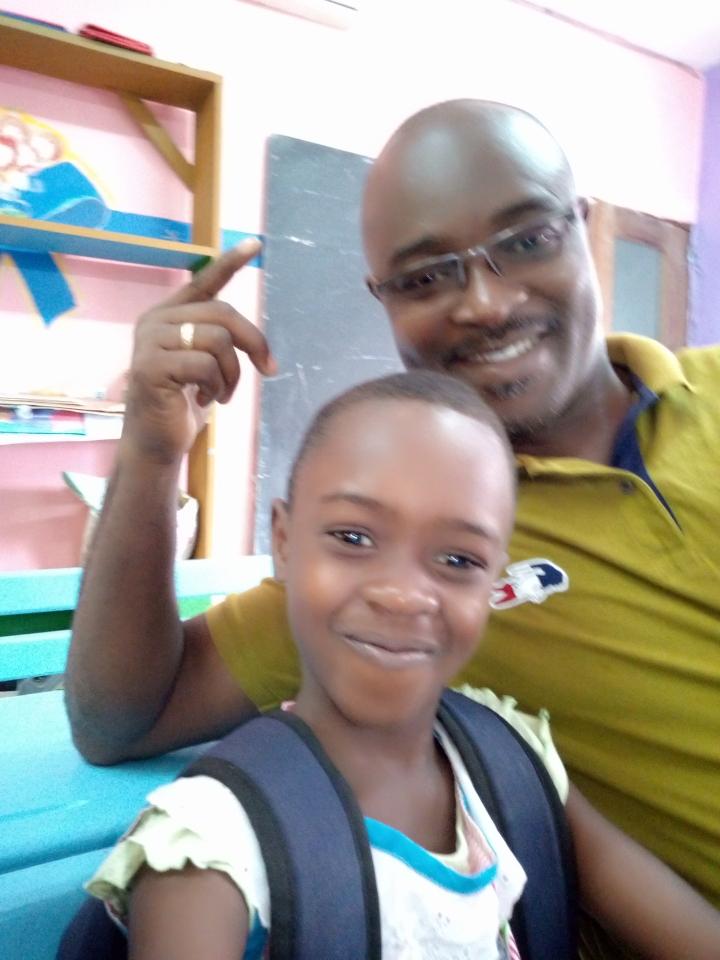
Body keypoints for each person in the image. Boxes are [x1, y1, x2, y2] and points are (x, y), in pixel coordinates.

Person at [65, 99, 720, 949]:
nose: (485, 303)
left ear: (582, 225)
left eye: (526, 239)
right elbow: (122, 716)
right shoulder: (401, 565)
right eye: (423, 277)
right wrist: (152, 454)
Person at [79, 372, 720, 959]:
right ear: (283, 541)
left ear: (497, 583)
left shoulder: (511, 759)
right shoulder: (211, 848)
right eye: (353, 537)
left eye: (459, 560)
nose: (403, 594)